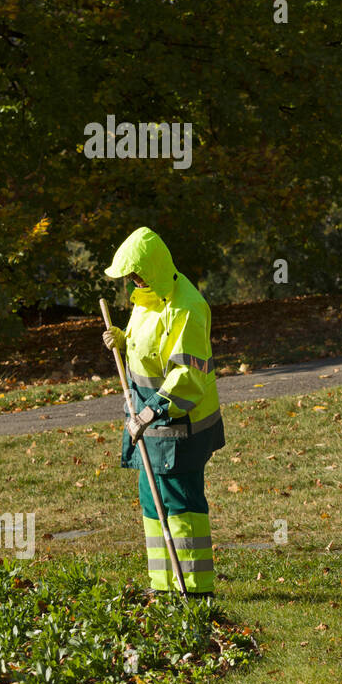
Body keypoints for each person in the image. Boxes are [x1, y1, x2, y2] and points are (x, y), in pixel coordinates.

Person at [101, 227, 224, 597]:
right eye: (128, 278)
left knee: (180, 505)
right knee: (152, 506)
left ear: (154, 268)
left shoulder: (187, 306)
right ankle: (164, 586)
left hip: (180, 426)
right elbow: (148, 347)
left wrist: (149, 414)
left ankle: (195, 588)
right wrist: (123, 340)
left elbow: (186, 377)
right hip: (149, 426)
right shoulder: (146, 297)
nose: (131, 284)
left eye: (136, 275)